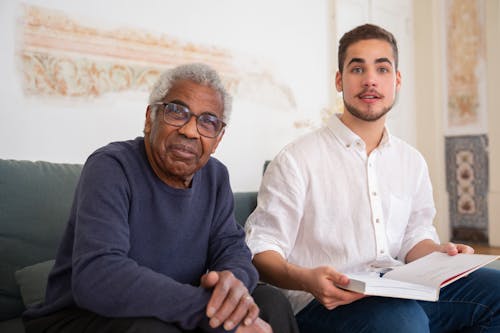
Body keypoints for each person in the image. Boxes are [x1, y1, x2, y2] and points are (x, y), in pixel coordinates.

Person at [245, 24, 500, 332]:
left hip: (399, 289)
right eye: (357, 69)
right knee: (404, 322)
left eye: (382, 68)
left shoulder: (411, 161)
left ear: (397, 80)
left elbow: (413, 238)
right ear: (339, 80)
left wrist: (440, 253)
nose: (370, 80)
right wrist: (306, 279)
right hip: (325, 303)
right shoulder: (297, 159)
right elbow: (261, 248)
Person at [23, 63, 299, 333]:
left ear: (217, 139)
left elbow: (233, 249)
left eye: (208, 122)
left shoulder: (215, 177)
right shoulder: (111, 166)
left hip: (169, 308)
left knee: (271, 303)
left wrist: (233, 284)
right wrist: (208, 310)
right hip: (81, 316)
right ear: (149, 118)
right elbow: (98, 276)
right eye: (177, 112)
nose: (190, 131)